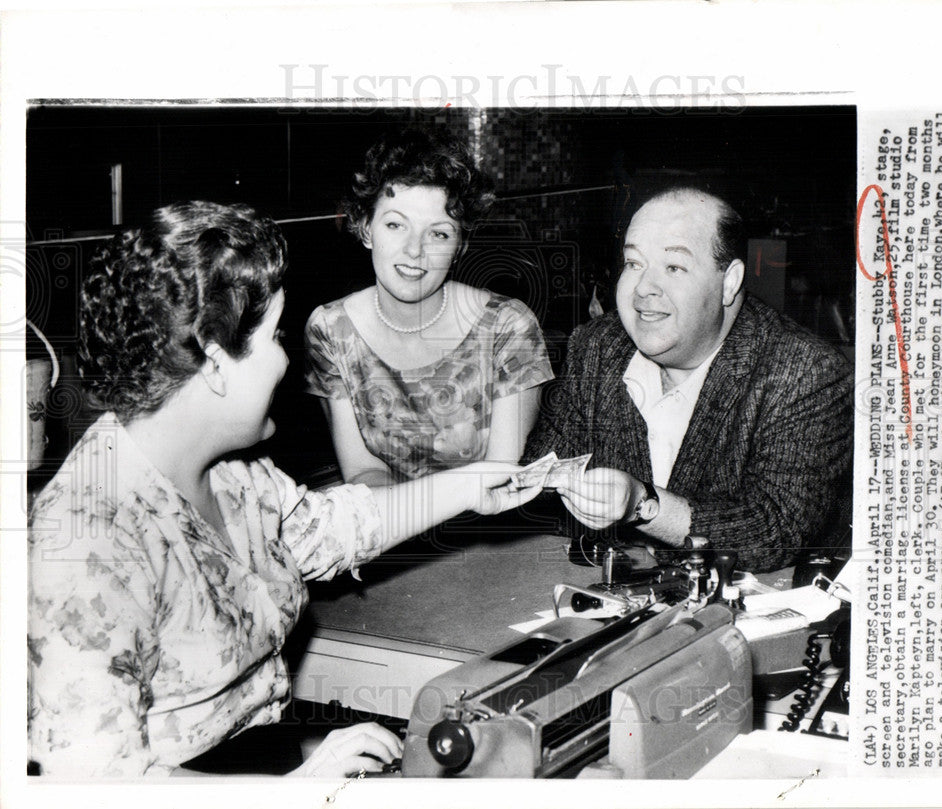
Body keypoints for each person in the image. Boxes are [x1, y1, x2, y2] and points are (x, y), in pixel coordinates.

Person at [27, 201, 541, 778]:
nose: (286, 360)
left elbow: (333, 529)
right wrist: (296, 789)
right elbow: (92, 783)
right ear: (217, 360)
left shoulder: (228, 472)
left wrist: (474, 482)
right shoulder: (85, 540)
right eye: (275, 336)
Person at [524, 184, 853, 573]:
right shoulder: (597, 346)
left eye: (674, 267)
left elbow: (774, 531)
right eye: (633, 263)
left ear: (729, 282)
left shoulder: (804, 371)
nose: (644, 288)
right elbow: (543, 480)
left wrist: (641, 504)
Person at [304, 129, 553, 486]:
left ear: (459, 247)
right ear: (366, 229)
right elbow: (363, 474)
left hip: (487, 531)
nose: (414, 250)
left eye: (438, 233)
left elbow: (500, 477)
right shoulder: (330, 329)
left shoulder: (508, 327)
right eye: (395, 225)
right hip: (387, 530)